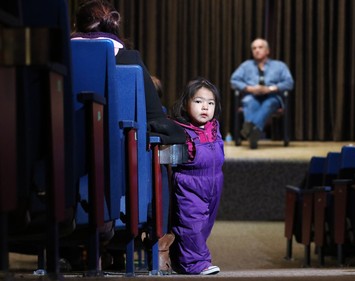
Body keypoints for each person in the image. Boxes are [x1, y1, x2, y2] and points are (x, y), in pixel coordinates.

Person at [71, 0, 185, 144]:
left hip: (62, 150)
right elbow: (155, 117)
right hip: (121, 153)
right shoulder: (130, 60)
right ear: (113, 25)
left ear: (76, 25)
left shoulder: (59, 58)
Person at [169, 77, 224, 275]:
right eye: (198, 101)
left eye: (210, 103)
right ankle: (196, 263)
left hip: (214, 184)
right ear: (186, 103)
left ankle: (180, 258)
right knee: (192, 224)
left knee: (204, 227)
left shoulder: (214, 128)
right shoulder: (181, 130)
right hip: (189, 183)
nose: (205, 107)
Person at [230, 38, 294, 149]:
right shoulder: (246, 66)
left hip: (272, 96)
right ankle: (254, 133)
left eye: (260, 47)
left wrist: (271, 89)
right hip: (252, 96)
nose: (257, 50)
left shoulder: (279, 66)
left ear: (267, 51)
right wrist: (249, 88)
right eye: (254, 48)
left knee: (269, 103)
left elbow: (289, 83)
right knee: (249, 102)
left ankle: (249, 129)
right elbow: (233, 81)